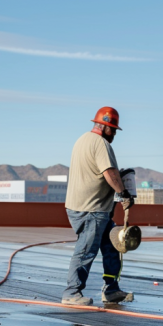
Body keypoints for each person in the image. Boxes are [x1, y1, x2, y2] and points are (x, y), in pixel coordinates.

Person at [62, 107, 134, 306]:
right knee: (86, 250)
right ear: (104, 126)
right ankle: (71, 293)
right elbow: (109, 172)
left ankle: (111, 289)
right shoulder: (101, 144)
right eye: (113, 130)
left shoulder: (82, 140)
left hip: (89, 208)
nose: (114, 135)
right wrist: (124, 193)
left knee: (112, 245)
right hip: (91, 209)